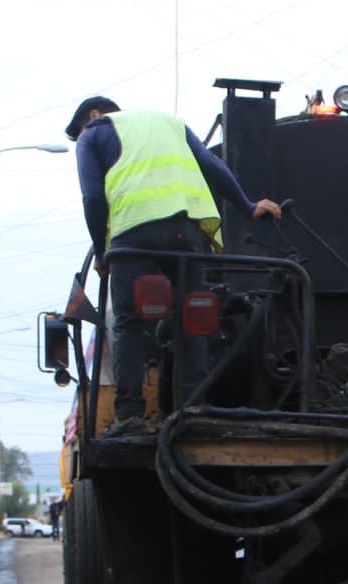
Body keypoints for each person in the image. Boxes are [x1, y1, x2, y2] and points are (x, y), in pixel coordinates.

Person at [66, 97, 283, 437]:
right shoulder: (169, 123)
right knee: (192, 318)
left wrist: (101, 250)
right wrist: (247, 206)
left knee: (128, 323)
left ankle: (130, 416)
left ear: (93, 115)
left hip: (133, 234)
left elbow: (92, 198)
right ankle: (193, 410)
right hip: (187, 232)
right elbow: (211, 165)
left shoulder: (92, 134)